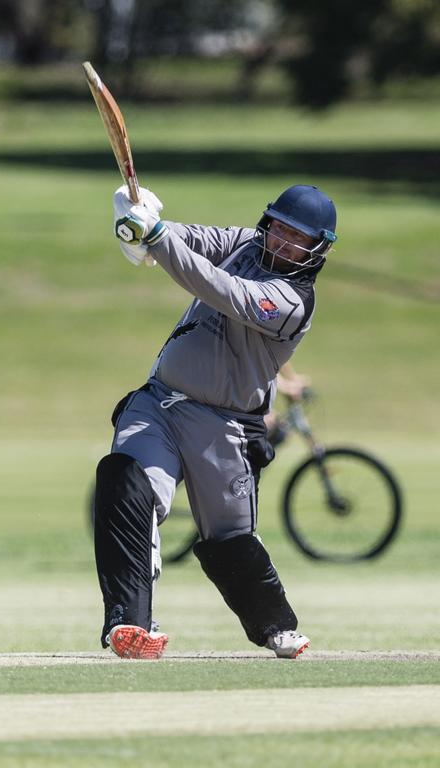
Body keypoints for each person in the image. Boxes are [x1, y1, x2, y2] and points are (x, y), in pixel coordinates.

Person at [93, 184, 337, 660]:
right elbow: (187, 242)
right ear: (268, 223)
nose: (285, 243)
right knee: (127, 483)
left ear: (317, 249)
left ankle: (275, 626)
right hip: (160, 402)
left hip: (225, 426)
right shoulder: (245, 242)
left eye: (300, 238)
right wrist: (137, 222)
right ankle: (130, 623)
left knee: (229, 539)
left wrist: (156, 237)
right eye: (281, 230)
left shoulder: (292, 301)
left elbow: (220, 289)